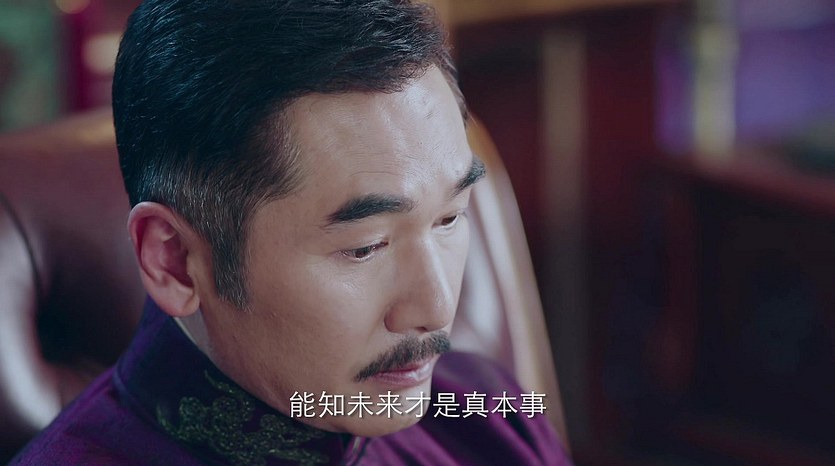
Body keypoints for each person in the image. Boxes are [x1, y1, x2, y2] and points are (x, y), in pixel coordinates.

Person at [12, 0, 570, 464]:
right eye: (365, 247)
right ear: (175, 260)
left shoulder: (485, 411)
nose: (438, 308)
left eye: (449, 218)